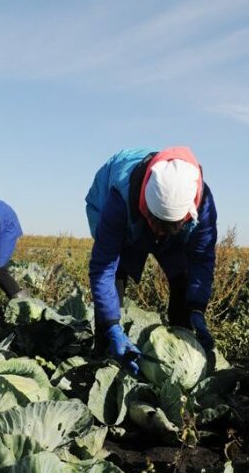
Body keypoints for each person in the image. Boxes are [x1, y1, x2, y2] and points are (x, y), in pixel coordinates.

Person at [86, 146, 218, 375]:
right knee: (118, 271)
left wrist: (197, 307)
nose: (159, 233)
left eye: (169, 227)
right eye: (156, 224)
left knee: (183, 275)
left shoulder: (202, 203)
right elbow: (103, 268)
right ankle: (104, 350)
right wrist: (112, 327)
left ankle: (181, 340)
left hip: (167, 223)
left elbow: (201, 259)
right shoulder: (119, 200)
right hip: (123, 210)